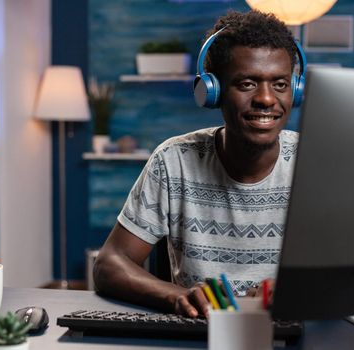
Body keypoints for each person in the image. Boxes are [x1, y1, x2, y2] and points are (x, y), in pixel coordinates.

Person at [94, 9, 303, 318]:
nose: (267, 99)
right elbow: (109, 264)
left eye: (280, 84)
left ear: (295, 90)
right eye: (247, 84)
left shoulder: (312, 161)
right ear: (212, 91)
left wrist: (293, 290)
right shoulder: (173, 160)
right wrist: (177, 296)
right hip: (199, 333)